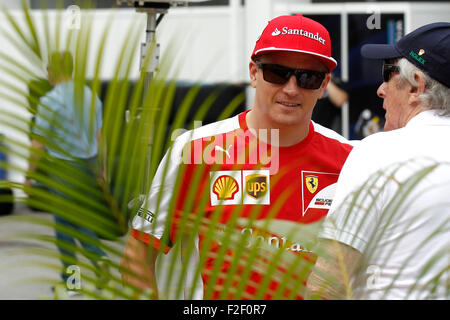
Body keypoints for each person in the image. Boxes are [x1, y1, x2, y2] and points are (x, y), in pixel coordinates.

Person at [121, 14, 354, 300]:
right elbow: (137, 257)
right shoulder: (196, 150)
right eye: (277, 73)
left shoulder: (350, 160)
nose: (291, 88)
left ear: (323, 85)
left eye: (308, 78)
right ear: (254, 73)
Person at [306, 22, 450, 300]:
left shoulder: (379, 152)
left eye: (388, 73)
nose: (380, 89)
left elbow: (328, 281)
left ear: (416, 87)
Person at [25, 51, 108, 296]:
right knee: (80, 219)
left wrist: (28, 175)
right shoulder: (90, 96)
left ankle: (72, 283)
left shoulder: (50, 101)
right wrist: (102, 169)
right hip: (89, 166)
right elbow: (99, 137)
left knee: (64, 227)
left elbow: (38, 143)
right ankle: (99, 259)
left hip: (63, 170)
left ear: (52, 71)